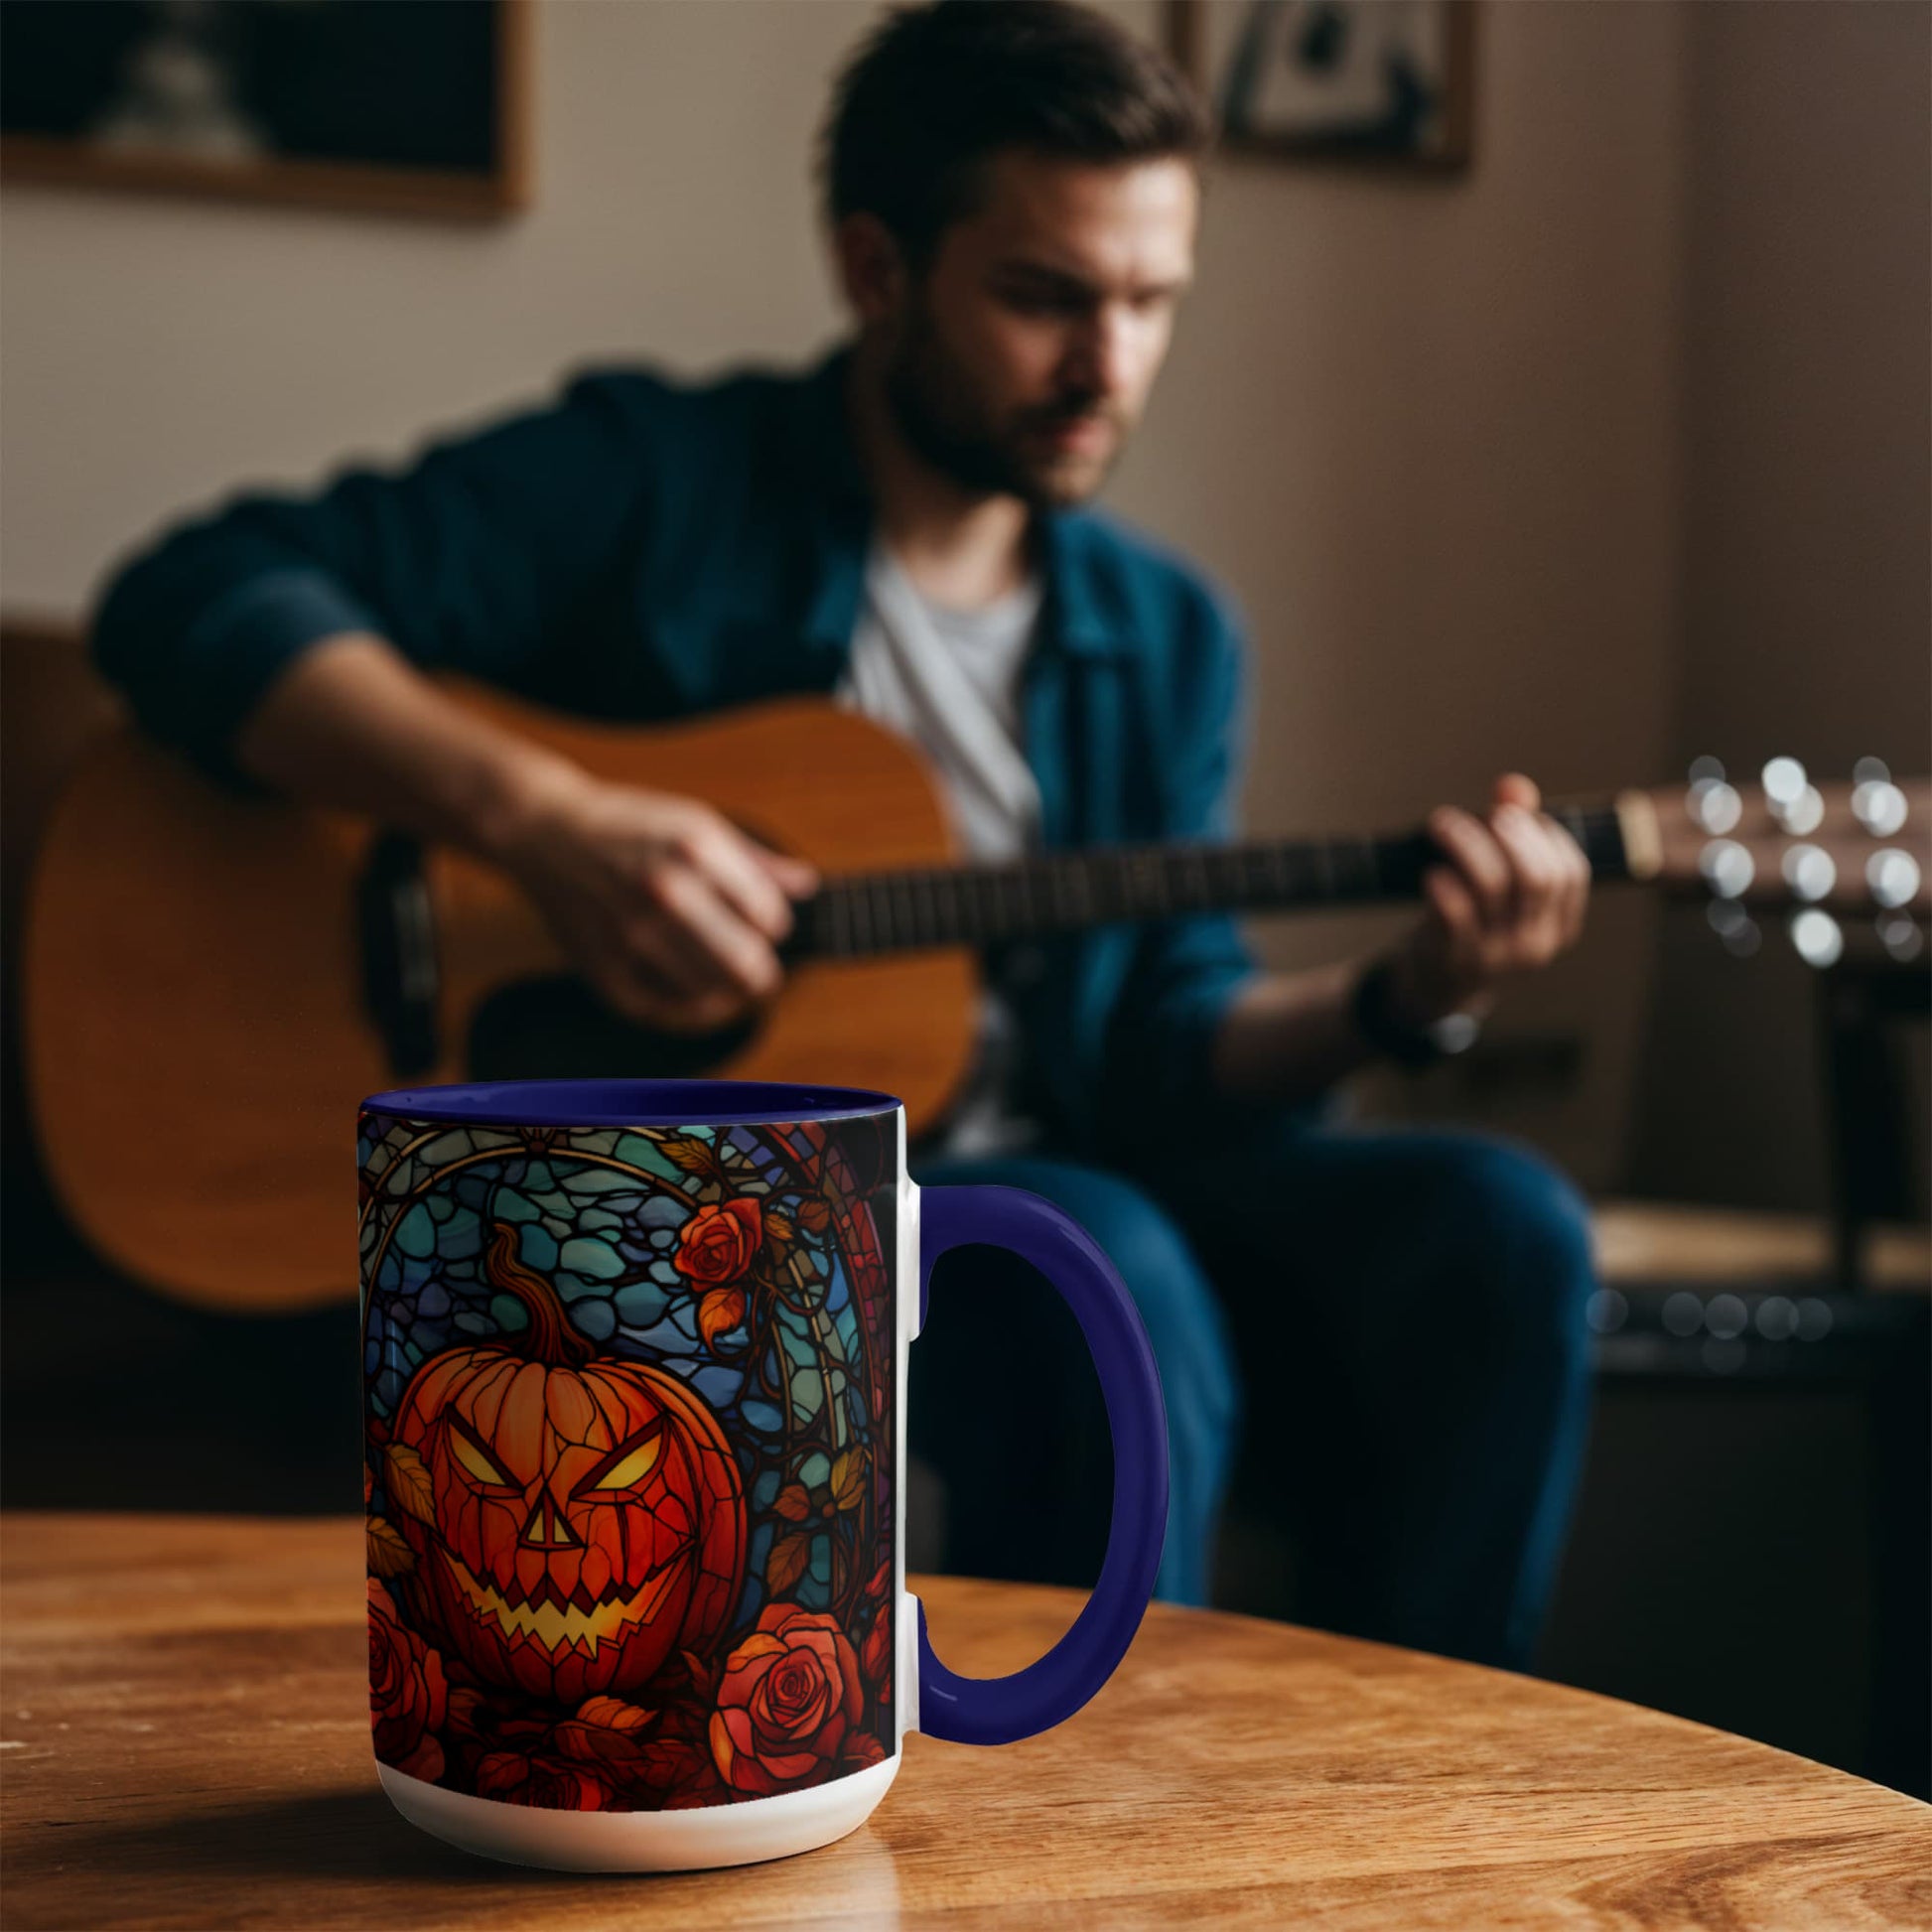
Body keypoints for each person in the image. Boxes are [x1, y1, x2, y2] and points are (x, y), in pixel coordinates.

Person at [91, 0, 1595, 1671]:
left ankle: (1441, 1772)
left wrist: (1405, 993)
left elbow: (1173, 1033)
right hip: (743, 1211)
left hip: (1084, 1169)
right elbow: (195, 590)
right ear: (877, 269)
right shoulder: (656, 483)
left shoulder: (1168, 633)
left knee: (1501, 1224)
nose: (1110, 366)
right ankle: (1086, 1815)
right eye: (1045, 298)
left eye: (1151, 302)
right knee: (1100, 1250)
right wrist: (550, 819)